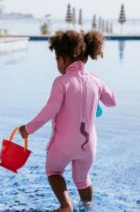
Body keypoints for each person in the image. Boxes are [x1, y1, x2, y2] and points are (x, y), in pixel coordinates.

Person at [19, 30, 116, 212]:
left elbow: (51, 109)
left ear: (62, 59)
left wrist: (28, 129)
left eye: (57, 59)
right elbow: (112, 101)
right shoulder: (95, 81)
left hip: (63, 145)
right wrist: (100, 84)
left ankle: (65, 206)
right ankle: (87, 207)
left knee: (54, 172)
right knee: (83, 179)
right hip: (88, 146)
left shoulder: (61, 82)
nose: (57, 63)